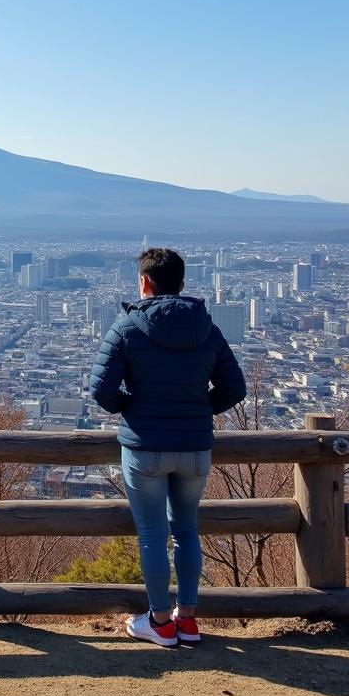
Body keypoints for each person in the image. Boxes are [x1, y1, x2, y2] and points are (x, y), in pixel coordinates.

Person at [88, 247, 246, 647]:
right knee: (188, 531)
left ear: (144, 282)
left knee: (151, 535)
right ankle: (188, 620)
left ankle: (160, 622)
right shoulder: (206, 327)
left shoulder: (127, 327)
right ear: (181, 283)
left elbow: (100, 390)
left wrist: (133, 409)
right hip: (195, 447)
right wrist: (198, 411)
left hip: (145, 447)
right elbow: (235, 388)